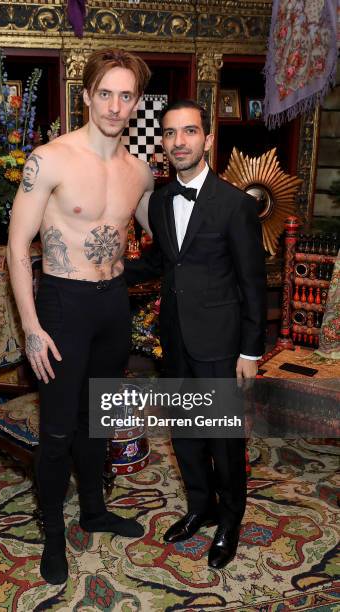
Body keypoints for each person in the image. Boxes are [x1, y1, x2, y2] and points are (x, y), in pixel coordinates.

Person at [7, 48, 153, 586]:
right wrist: (30, 326)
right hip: (63, 305)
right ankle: (51, 529)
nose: (115, 106)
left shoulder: (139, 171)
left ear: (137, 102)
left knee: (98, 421)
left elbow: (159, 235)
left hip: (114, 307)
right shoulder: (50, 159)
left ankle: (93, 509)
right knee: (58, 431)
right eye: (106, 93)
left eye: (127, 95)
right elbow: (17, 247)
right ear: (87, 95)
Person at [124, 99, 266, 569]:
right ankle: (200, 507)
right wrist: (108, 270)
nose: (179, 141)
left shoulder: (235, 204)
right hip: (175, 340)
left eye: (189, 132)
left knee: (223, 439)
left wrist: (250, 351)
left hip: (222, 343)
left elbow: (252, 283)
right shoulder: (161, 200)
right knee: (185, 434)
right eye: (170, 133)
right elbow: (163, 262)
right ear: (162, 143)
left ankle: (230, 520)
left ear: (207, 139)